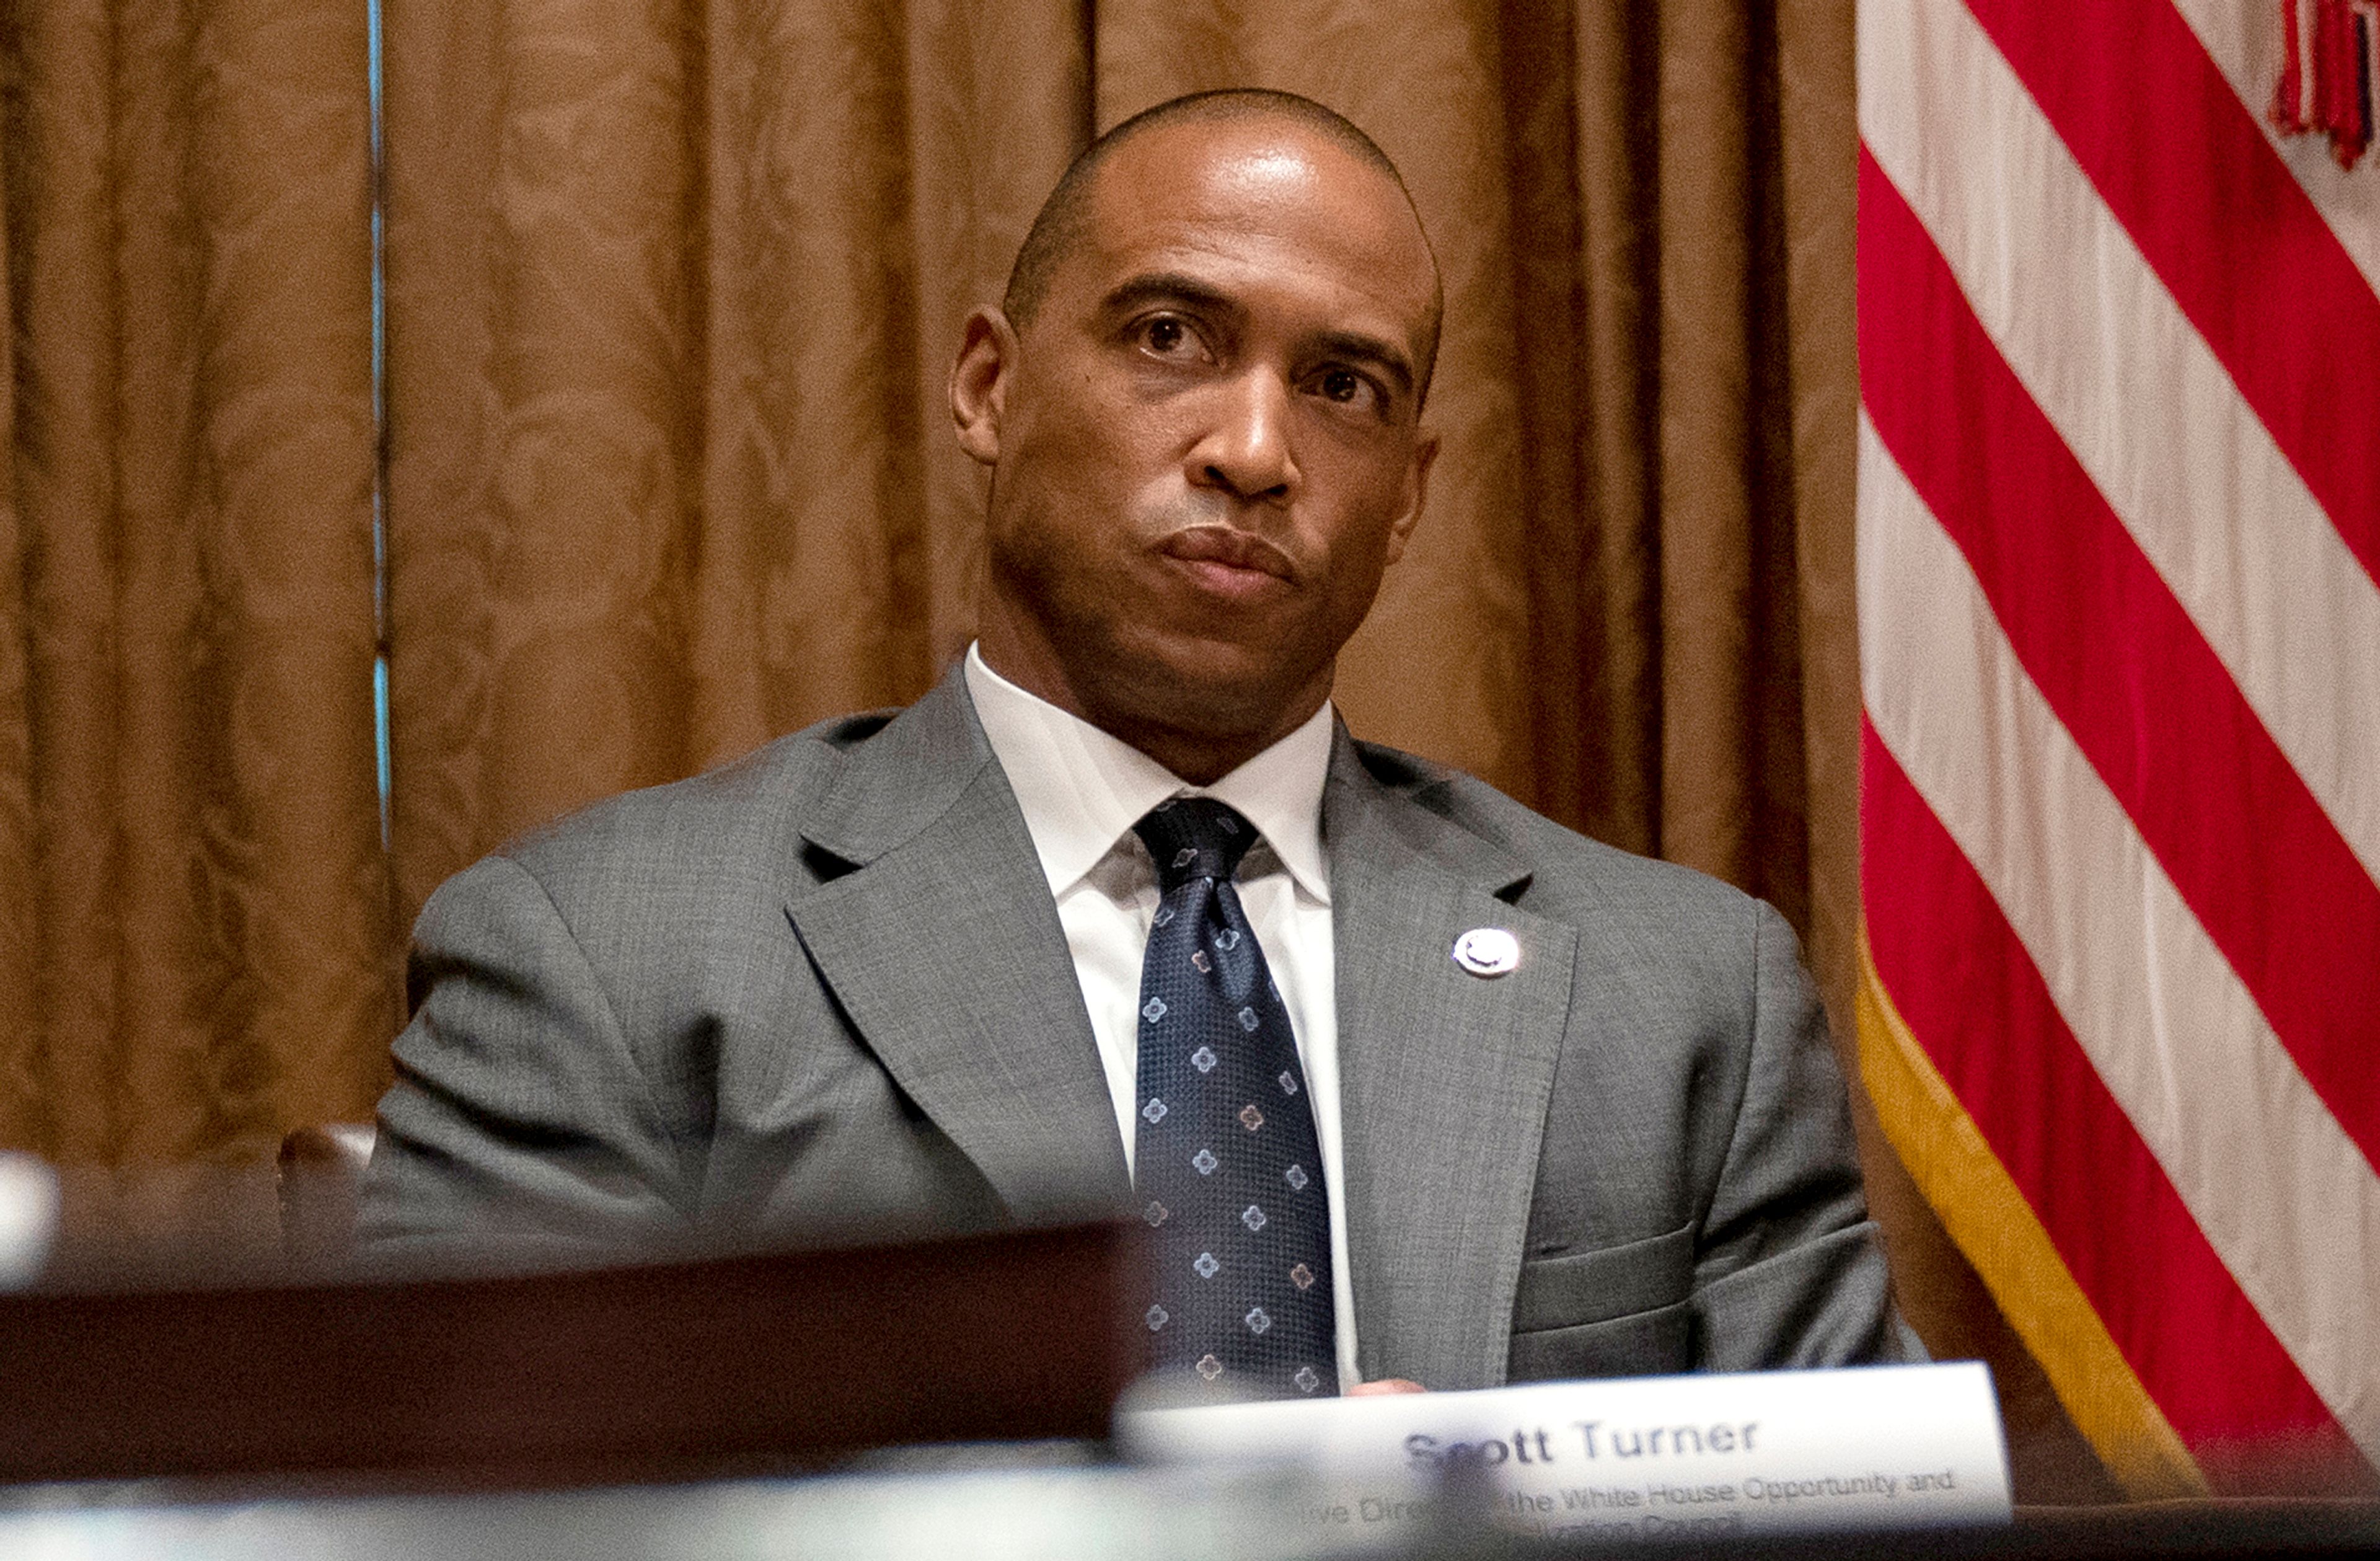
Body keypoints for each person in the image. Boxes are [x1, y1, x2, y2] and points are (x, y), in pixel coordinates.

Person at [360, 89, 1905, 1397]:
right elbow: (481, 1534)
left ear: (1412, 493)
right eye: (1171, 335)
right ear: (990, 386)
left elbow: (1870, 1544)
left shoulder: (1689, 993)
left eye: (1343, 386)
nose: (1252, 448)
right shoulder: (603, 962)